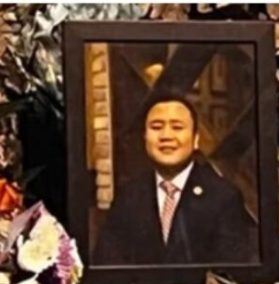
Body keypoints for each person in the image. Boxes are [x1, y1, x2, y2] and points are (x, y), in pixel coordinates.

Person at [93, 94, 257, 266]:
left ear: (195, 140)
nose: (166, 136)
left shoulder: (224, 197)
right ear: (145, 137)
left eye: (177, 127)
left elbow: (231, 268)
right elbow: (107, 262)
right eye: (156, 127)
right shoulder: (128, 196)